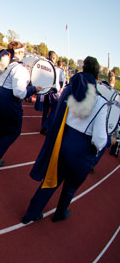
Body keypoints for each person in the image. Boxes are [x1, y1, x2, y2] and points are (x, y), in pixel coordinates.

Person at [22, 56, 108, 224]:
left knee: (51, 180)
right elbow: (99, 139)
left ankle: (31, 213)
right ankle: (60, 212)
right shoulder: (101, 103)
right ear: (97, 76)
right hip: (82, 150)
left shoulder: (71, 89)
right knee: (70, 187)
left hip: (62, 142)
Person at [0, 41, 42, 166]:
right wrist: (34, 89)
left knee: (0, 129)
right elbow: (19, 93)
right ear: (19, 52)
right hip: (8, 101)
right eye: (23, 52)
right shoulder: (19, 69)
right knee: (13, 131)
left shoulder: (2, 62)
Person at [39, 51, 65, 135]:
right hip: (53, 91)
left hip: (45, 90)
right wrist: (59, 91)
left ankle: (43, 126)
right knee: (55, 110)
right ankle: (46, 126)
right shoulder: (56, 69)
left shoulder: (44, 65)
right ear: (54, 58)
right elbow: (59, 82)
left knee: (45, 110)